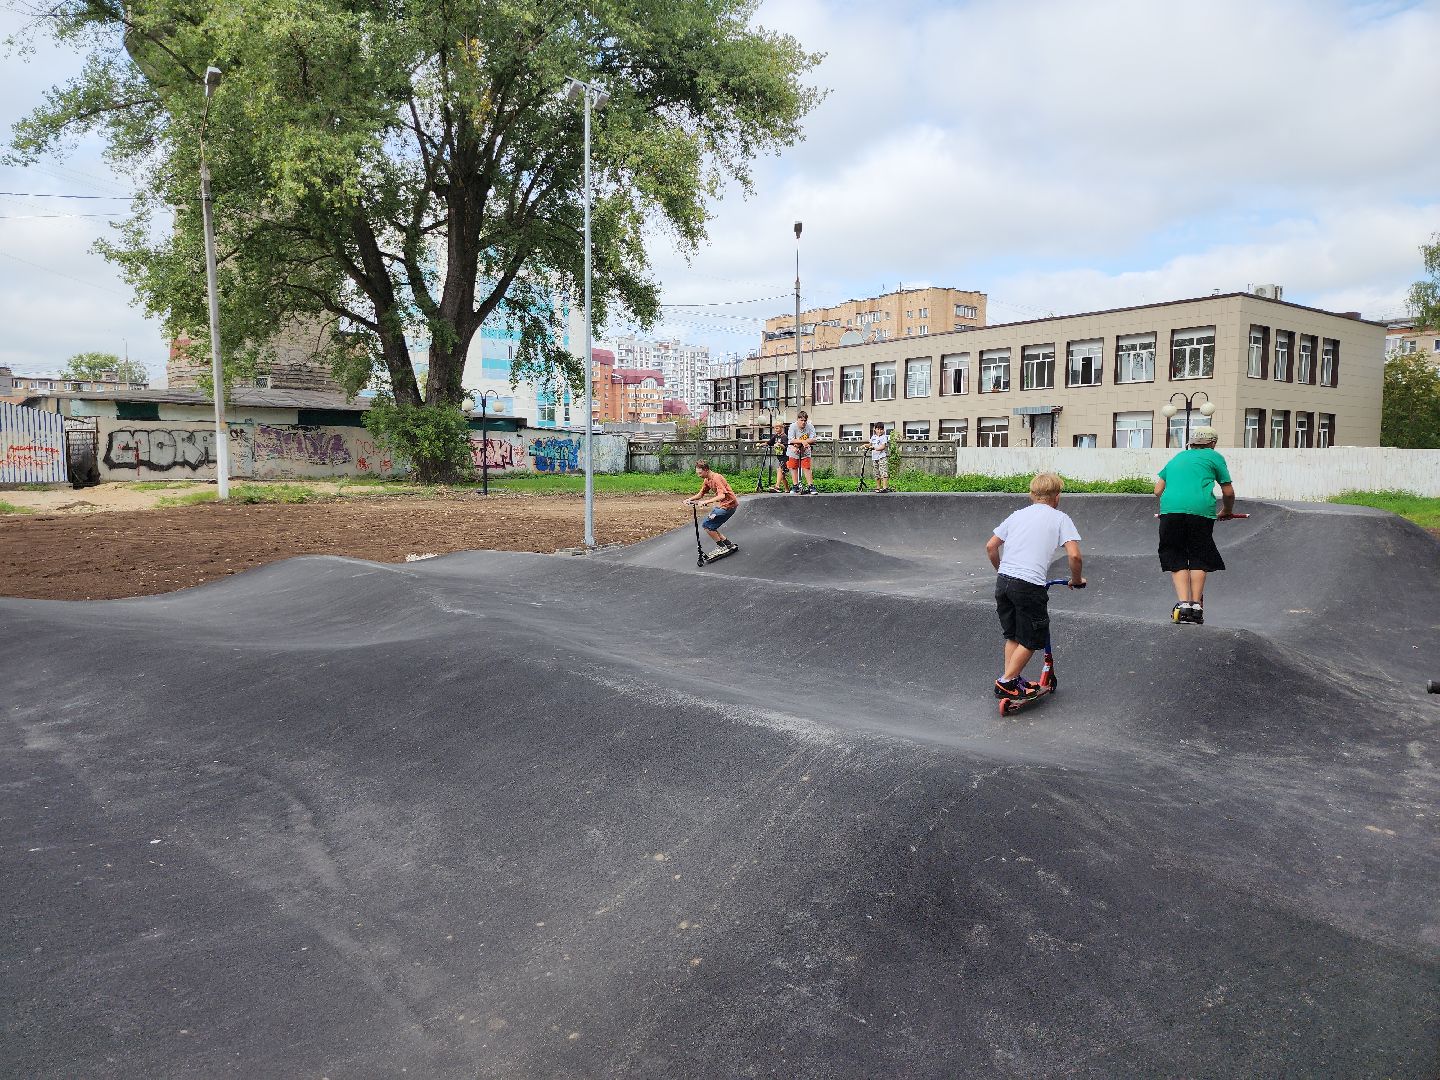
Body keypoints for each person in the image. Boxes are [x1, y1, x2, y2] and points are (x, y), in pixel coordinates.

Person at [985, 472, 1085, 700]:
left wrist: (1002, 571)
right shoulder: (1060, 518)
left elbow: (991, 546)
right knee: (1032, 639)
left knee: (1013, 636)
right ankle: (1006, 682)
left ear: (1031, 495)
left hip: (1004, 582)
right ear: (1057, 496)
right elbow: (1074, 556)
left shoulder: (1017, 515)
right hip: (1029, 585)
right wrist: (1077, 579)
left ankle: (1012, 679)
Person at [1154, 427, 1236, 625]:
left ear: (1191, 443)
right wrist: (1227, 510)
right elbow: (1228, 492)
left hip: (1171, 511)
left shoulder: (1178, 457)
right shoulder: (1214, 457)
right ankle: (1196, 607)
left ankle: (1183, 605)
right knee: (1199, 555)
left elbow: (1157, 490)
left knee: (1176, 555)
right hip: (1201, 511)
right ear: (1213, 443)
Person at [685, 459, 739, 554]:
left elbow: (722, 496)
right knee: (711, 526)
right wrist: (689, 499)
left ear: (706, 470)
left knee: (707, 525)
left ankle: (721, 547)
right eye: (697, 473)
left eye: (700, 473)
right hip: (723, 506)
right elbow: (700, 494)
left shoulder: (716, 477)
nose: (699, 475)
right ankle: (729, 544)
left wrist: (706, 501)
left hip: (729, 506)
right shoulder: (707, 480)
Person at [786, 410, 817, 494]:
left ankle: (811, 486)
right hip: (793, 450)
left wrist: (804, 442)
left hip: (805, 450)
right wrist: (802, 441)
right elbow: (791, 439)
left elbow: (813, 438)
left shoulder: (810, 426)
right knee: (793, 467)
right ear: (798, 420)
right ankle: (795, 486)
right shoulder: (792, 426)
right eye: (801, 420)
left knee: (807, 467)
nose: (803, 422)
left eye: (805, 420)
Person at [760, 421, 789, 492]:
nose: (776, 429)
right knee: (782, 474)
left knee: (779, 469)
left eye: (777, 428)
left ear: (781, 428)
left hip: (785, 457)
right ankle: (787, 489)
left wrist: (779, 444)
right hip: (779, 457)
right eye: (775, 428)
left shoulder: (784, 437)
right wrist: (762, 444)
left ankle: (777, 486)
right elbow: (770, 442)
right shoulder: (775, 436)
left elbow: (786, 447)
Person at [867, 421, 892, 493]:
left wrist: (874, 448)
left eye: (881, 429)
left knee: (883, 472)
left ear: (883, 430)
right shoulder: (873, 437)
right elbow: (869, 445)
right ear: (875, 429)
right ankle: (878, 487)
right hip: (874, 458)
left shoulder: (883, 437)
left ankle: (885, 487)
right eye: (878, 429)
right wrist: (865, 446)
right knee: (876, 473)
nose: (879, 431)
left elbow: (883, 447)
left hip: (881, 457)